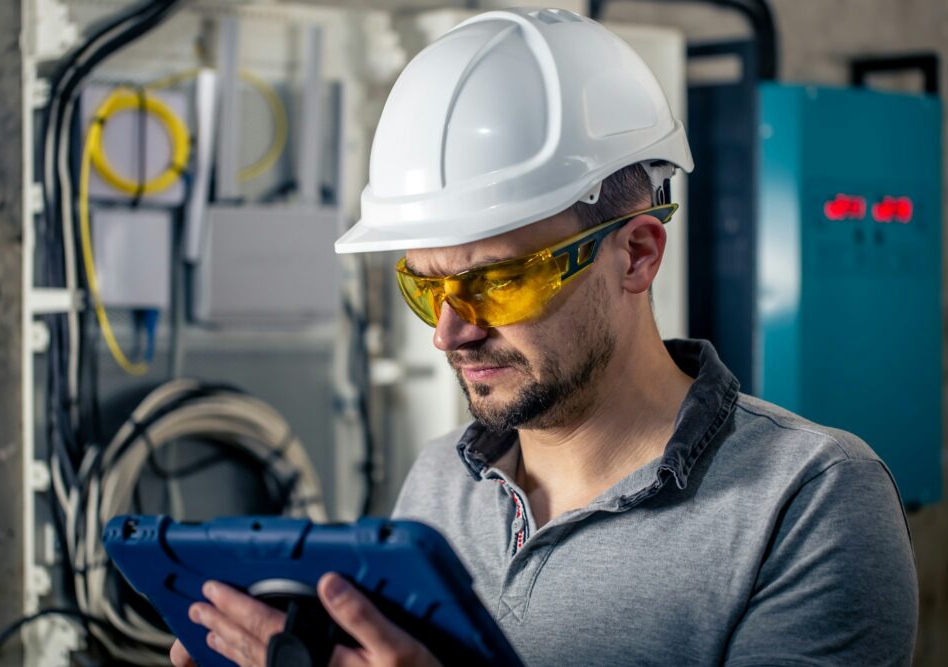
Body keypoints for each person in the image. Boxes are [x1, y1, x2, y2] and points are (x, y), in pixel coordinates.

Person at [172, 8, 917, 666]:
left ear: (636, 254)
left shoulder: (809, 500)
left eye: (497, 280)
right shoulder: (441, 483)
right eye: (426, 286)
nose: (449, 333)